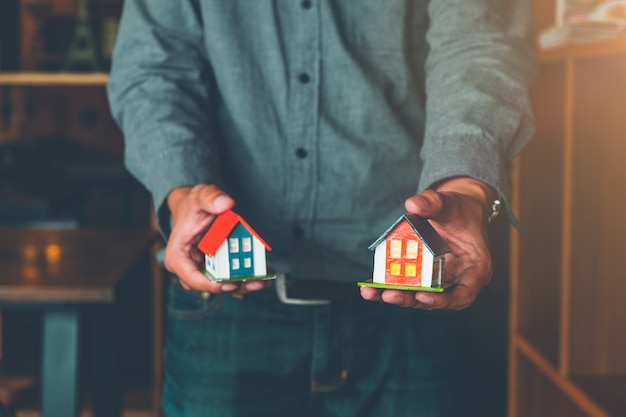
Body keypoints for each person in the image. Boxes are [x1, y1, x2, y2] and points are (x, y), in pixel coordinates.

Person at [107, 1, 535, 416]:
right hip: (226, 305)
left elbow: (477, 41)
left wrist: (464, 185)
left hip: (415, 308)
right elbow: (154, 69)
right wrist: (183, 190)